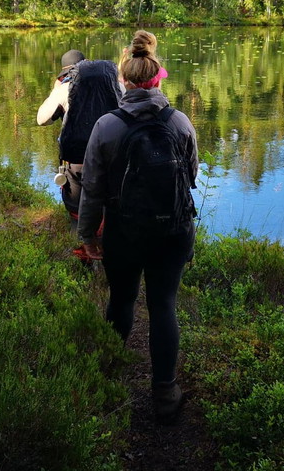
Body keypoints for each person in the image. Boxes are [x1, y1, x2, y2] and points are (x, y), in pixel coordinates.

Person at [77, 30, 197, 423]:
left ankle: (108, 374)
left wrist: (88, 236)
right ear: (158, 78)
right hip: (173, 232)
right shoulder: (180, 122)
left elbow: (92, 190)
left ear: (123, 81)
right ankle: (165, 393)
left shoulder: (106, 126)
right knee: (164, 306)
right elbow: (190, 177)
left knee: (122, 300)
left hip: (124, 233)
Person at [37, 49, 121, 238]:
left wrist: (55, 91)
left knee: (78, 211)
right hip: (112, 160)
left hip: (77, 161)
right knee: (111, 207)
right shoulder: (115, 85)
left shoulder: (64, 89)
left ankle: (82, 252)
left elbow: (42, 119)